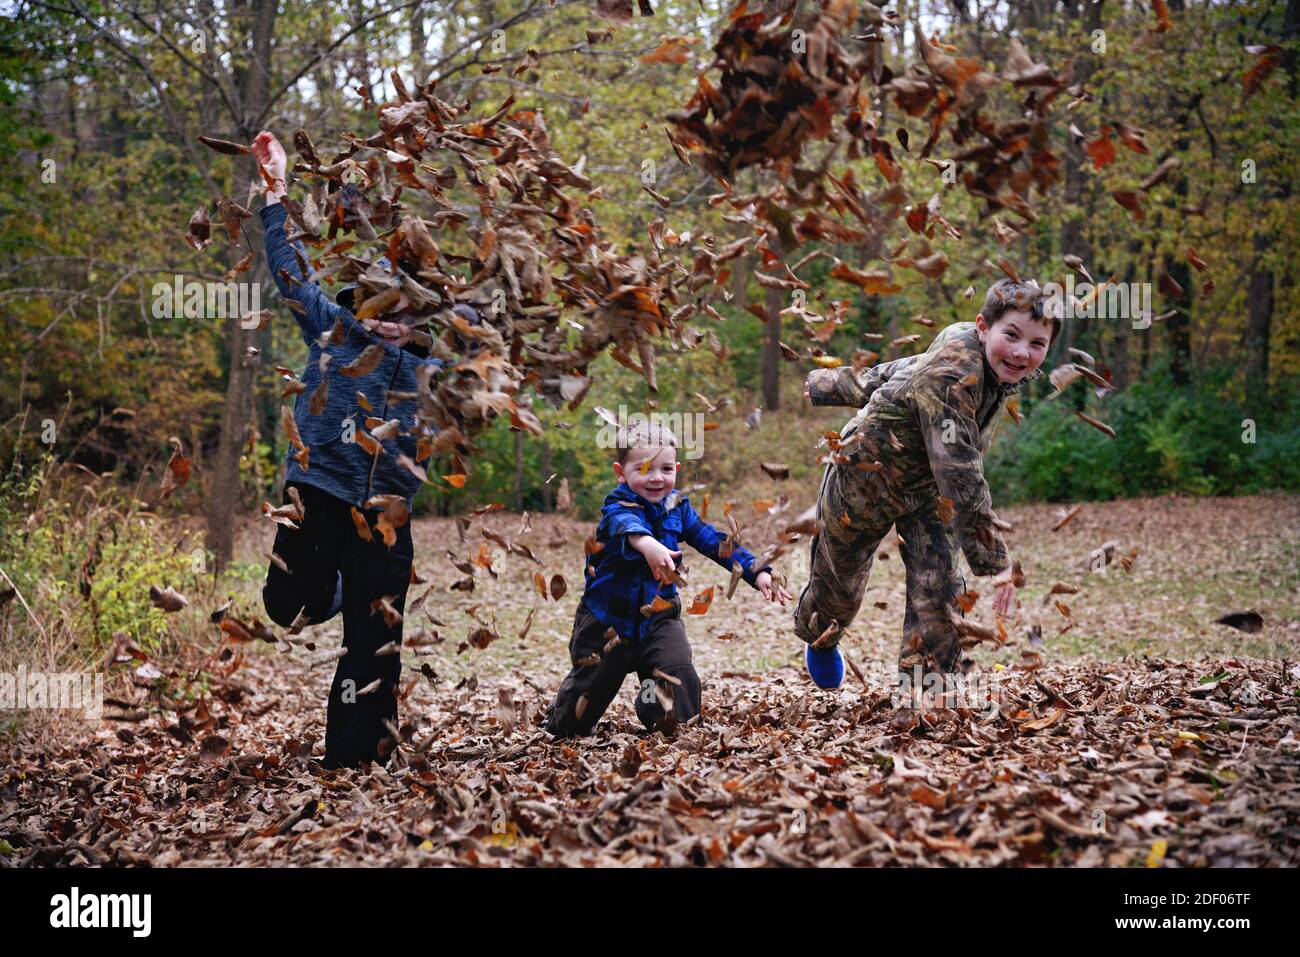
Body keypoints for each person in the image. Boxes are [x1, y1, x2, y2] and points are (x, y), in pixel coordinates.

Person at [251, 129, 478, 768]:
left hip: (386, 512)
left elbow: (490, 335)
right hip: (317, 492)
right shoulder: (334, 329)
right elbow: (290, 273)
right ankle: (327, 588)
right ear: (358, 302)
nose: (384, 316)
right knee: (284, 605)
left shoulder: (432, 360)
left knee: (375, 637)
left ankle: (358, 756)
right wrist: (276, 191)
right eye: (374, 302)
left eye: (399, 307)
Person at [795, 279, 1057, 692]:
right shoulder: (955, 372)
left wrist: (836, 385)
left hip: (929, 492)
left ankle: (926, 692)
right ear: (983, 326)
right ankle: (821, 640)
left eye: (1037, 343)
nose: (1023, 352)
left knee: (939, 589)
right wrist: (995, 561)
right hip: (866, 479)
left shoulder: (991, 364)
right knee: (838, 590)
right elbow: (959, 468)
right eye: (1012, 335)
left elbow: (907, 370)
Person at [543, 421, 793, 737]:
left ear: (676, 469)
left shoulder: (679, 506)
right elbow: (627, 527)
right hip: (607, 622)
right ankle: (561, 721)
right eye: (644, 469)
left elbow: (711, 539)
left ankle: (659, 715)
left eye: (665, 468)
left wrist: (756, 571)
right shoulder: (617, 506)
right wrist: (649, 545)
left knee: (676, 673)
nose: (656, 478)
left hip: (659, 618)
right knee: (581, 707)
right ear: (621, 472)